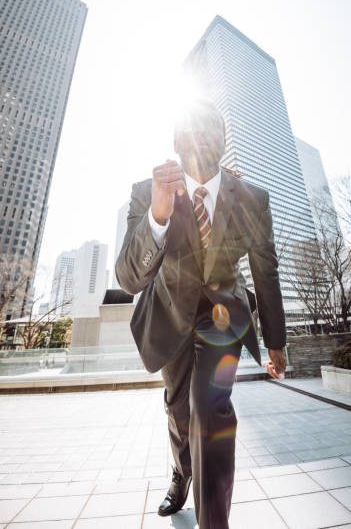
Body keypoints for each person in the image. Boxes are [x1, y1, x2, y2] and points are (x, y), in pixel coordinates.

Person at [115, 98, 286, 529]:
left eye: (213, 135)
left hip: (223, 317)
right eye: (192, 136)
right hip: (170, 312)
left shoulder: (251, 197)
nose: (203, 144)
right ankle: (181, 472)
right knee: (178, 411)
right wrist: (158, 214)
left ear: (223, 143)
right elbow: (129, 279)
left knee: (210, 410)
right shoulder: (147, 191)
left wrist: (276, 341)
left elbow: (265, 270)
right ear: (175, 143)